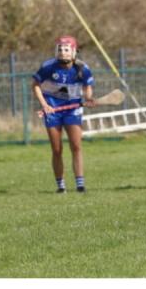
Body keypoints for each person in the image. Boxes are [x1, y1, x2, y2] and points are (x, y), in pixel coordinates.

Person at [32, 35, 95, 194]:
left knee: (76, 146)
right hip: (53, 110)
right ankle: (61, 186)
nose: (63, 52)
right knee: (57, 149)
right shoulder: (48, 67)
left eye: (66, 49)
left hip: (73, 109)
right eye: (60, 49)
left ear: (74, 51)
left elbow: (87, 87)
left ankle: (80, 184)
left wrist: (88, 99)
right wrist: (44, 104)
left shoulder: (82, 68)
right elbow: (36, 85)